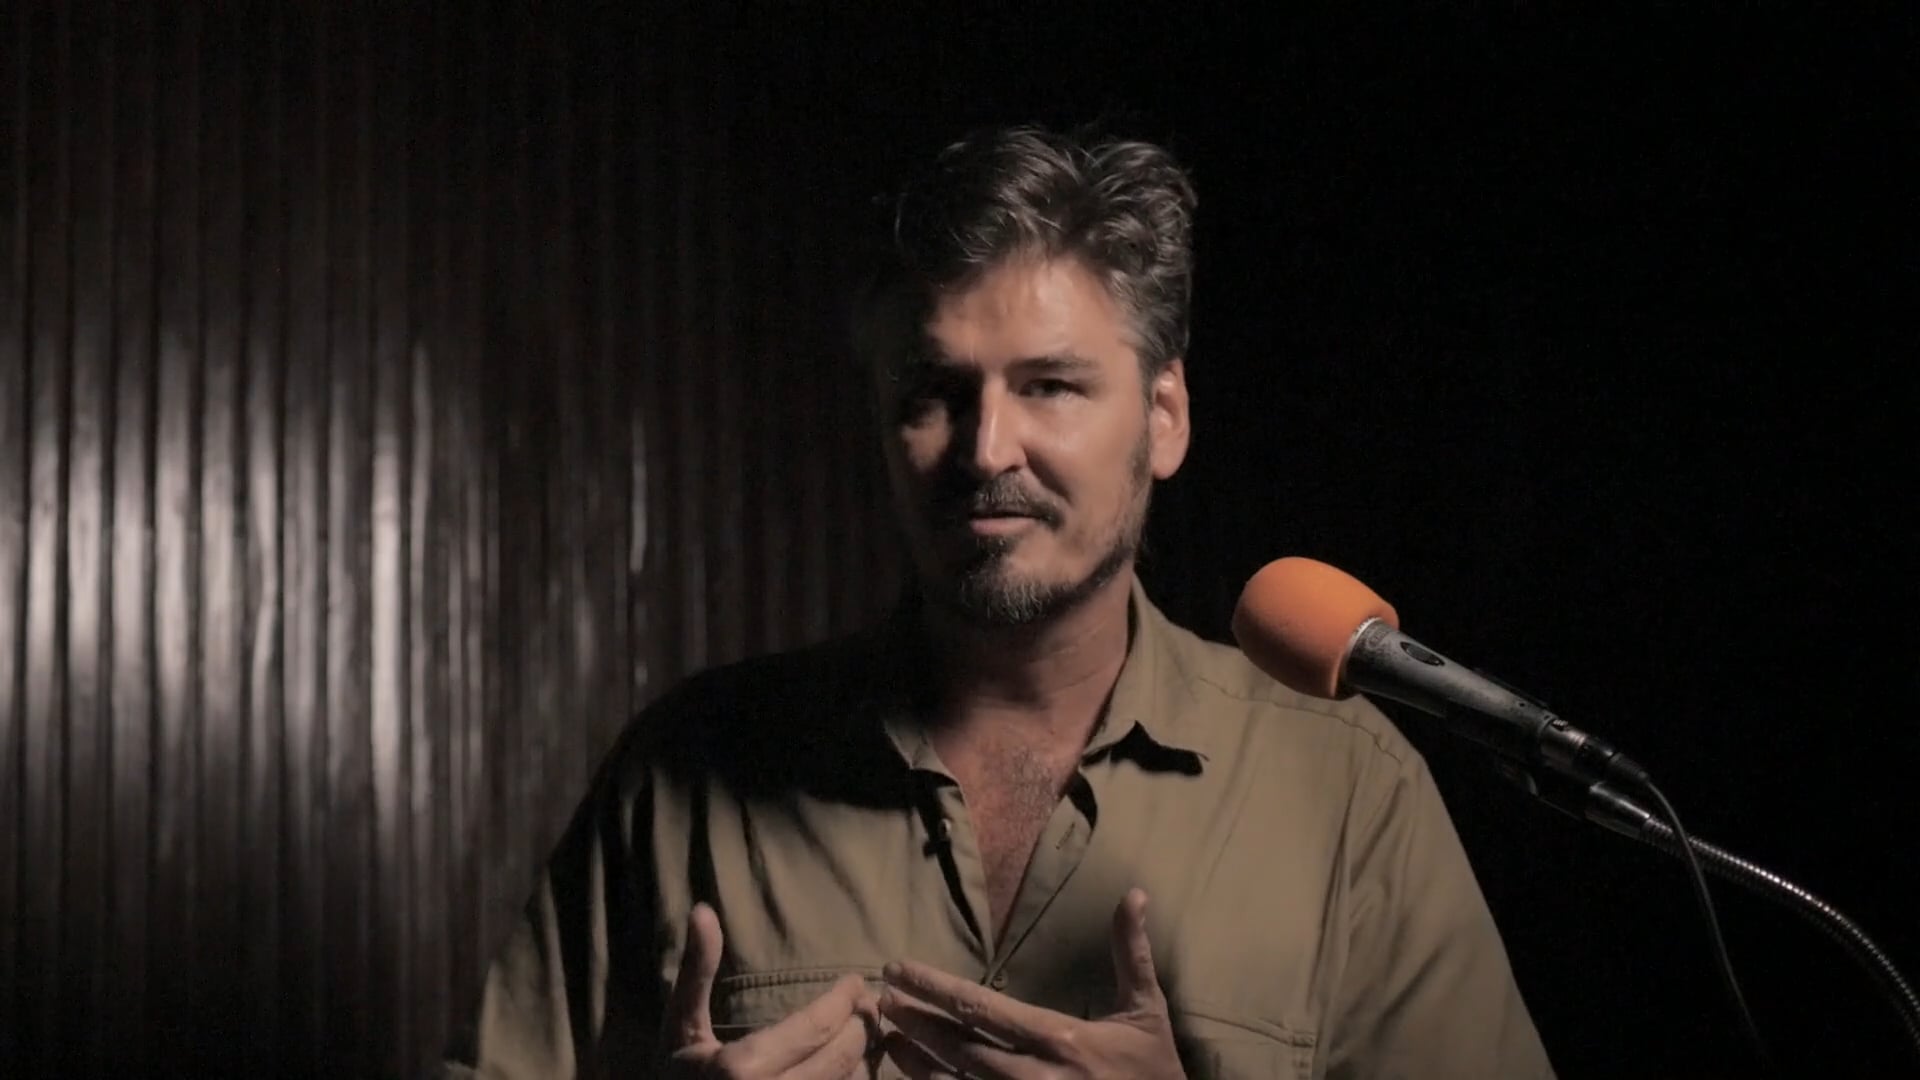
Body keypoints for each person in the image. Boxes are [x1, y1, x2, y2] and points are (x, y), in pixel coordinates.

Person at [444, 124, 1555, 1079]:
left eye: (1050, 386)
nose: (986, 450)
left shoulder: (1347, 791)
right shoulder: (687, 776)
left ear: (1164, 416)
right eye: (935, 393)